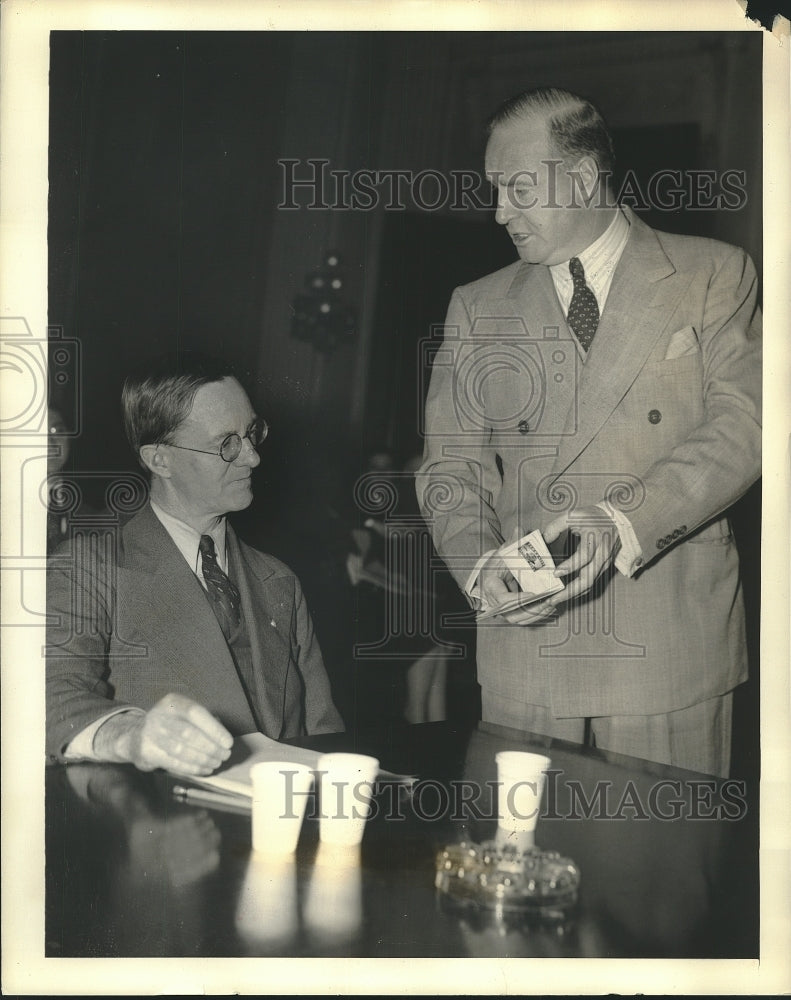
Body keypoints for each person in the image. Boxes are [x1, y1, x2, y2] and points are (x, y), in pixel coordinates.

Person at [417, 88, 761, 777]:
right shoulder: (477, 305)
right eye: (494, 190)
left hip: (667, 643)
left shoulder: (712, 274)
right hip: (526, 649)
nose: (498, 212)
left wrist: (623, 521)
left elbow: (745, 424)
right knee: (516, 844)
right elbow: (449, 469)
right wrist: (481, 569)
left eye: (517, 188)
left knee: (663, 846)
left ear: (579, 178)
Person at [46, 352, 343, 776]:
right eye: (227, 444)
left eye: (252, 433)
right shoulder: (89, 570)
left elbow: (326, 738)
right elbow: (50, 697)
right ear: (159, 460)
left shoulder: (280, 581)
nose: (253, 457)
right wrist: (130, 735)